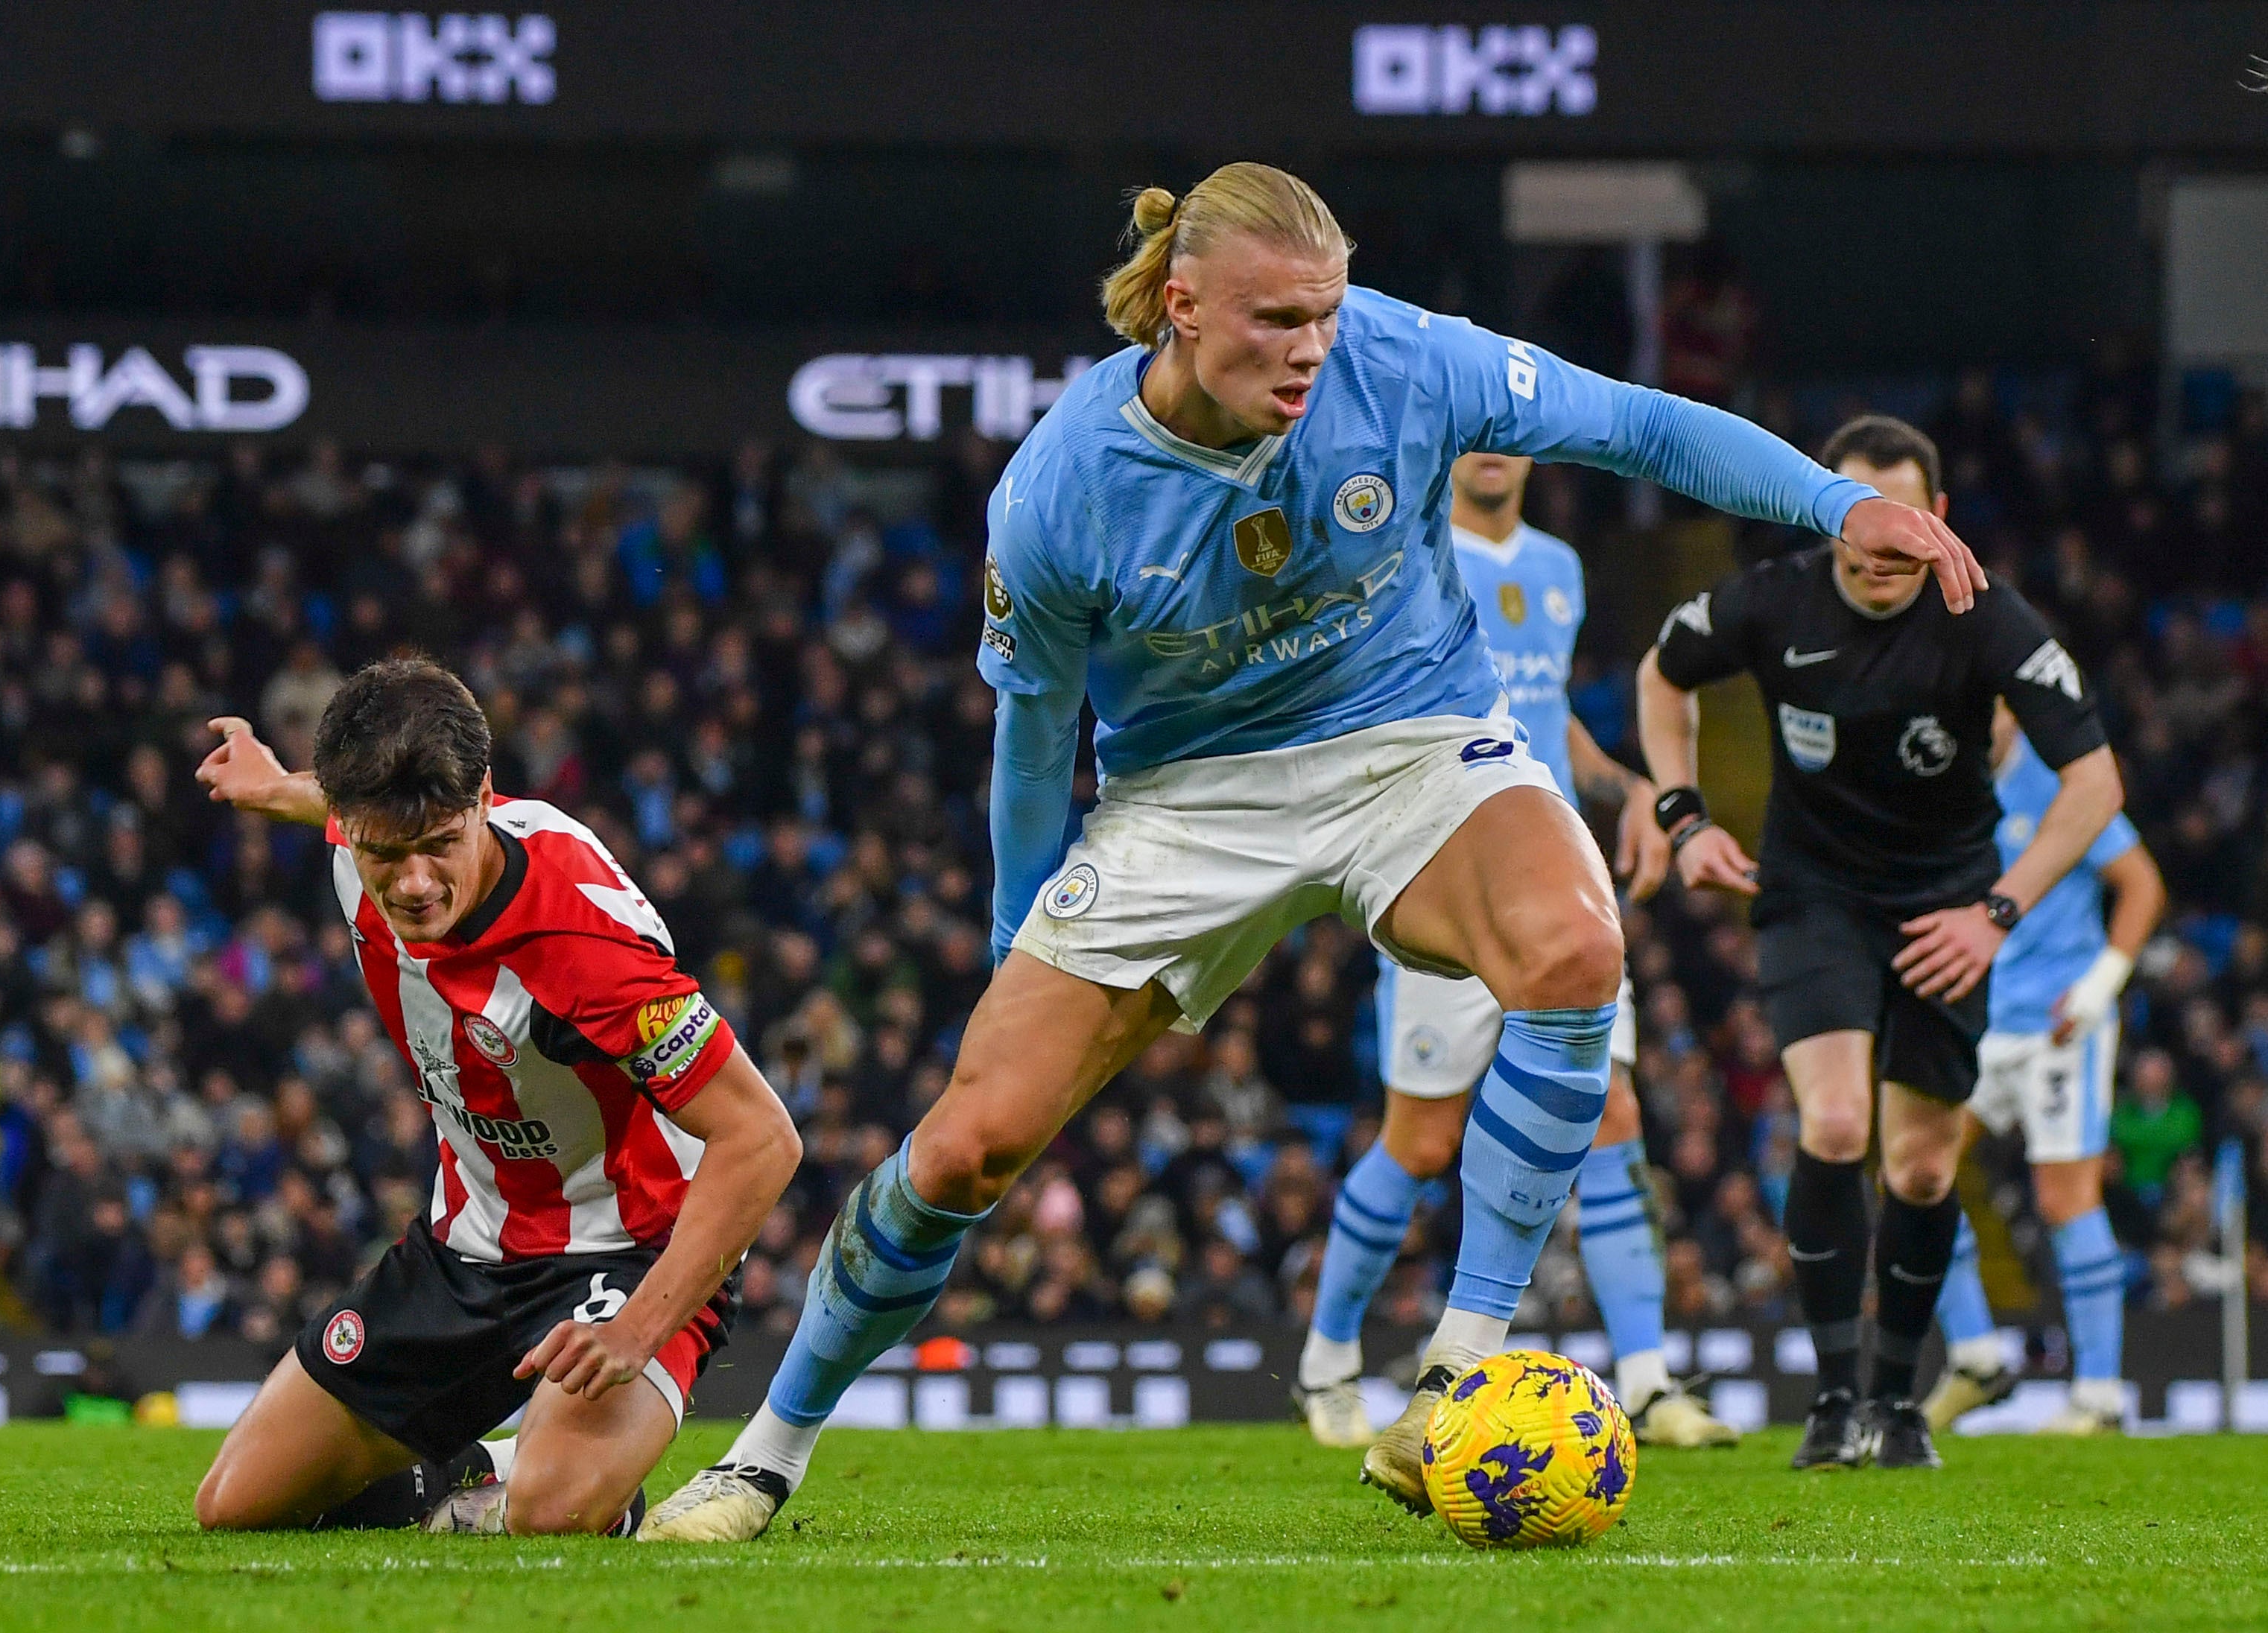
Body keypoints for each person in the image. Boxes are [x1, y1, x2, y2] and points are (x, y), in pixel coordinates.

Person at [644, 164, 1980, 1541]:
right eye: (1275, 320)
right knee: (965, 1151)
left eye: (1323, 316)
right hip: (1185, 796)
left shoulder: (1403, 357)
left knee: (1576, 944)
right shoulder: (1061, 491)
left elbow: (1632, 423)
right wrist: (1009, 943)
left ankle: (1455, 1370)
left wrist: (1831, 504)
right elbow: (1036, 739)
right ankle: (764, 1453)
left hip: (1408, 736)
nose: (1308, 350)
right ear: (1178, 307)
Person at [186, 657, 799, 1536]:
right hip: (464, 1244)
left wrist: (637, 1327)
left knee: (551, 1511)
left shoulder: (584, 944)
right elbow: (343, 806)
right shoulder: (367, 828)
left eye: (440, 845)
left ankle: (564, 1475)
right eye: (383, 853)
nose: (413, 883)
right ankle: (470, 1467)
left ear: (481, 798)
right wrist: (276, 785)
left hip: (625, 1249)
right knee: (238, 1504)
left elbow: (763, 1139)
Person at [1638, 415, 2122, 1471]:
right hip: (1812, 895)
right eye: (1859, 525)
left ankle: (1898, 1406)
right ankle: (1830, 1395)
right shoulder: (1770, 598)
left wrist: (1995, 913)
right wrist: (1682, 816)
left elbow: (2093, 785)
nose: (1876, 552)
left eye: (1902, 528)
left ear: (1935, 519)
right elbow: (1660, 675)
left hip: (1944, 909)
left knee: (1913, 1168)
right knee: (1834, 1123)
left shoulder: (1985, 616)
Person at [1293, 450, 1740, 1487]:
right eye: (1472, 434)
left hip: (1553, 879)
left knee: (1613, 1115)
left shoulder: (1558, 567)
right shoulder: (1402, 550)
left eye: (1508, 433)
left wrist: (1621, 783)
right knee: (1417, 1141)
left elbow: (1546, 712)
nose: (1492, 450)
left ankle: (1646, 1380)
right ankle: (1324, 1364)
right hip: (1443, 866)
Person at [1925, 708, 2163, 1436]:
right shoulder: (1950, 780)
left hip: (2061, 1023)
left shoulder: (2063, 780)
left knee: (2063, 1198)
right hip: (1986, 1018)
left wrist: (2098, 988)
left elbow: (2140, 883)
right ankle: (1973, 1357)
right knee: (1914, 1169)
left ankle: (2097, 1396)